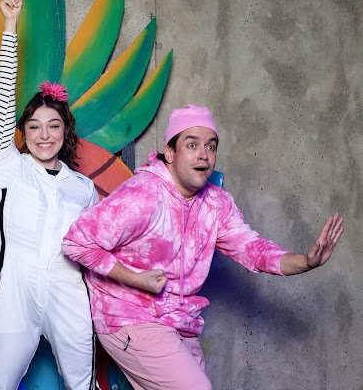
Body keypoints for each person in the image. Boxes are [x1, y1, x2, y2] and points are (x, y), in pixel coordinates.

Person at [62, 105, 345, 390]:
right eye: (192, 145)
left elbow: (252, 249)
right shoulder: (143, 195)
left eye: (211, 146)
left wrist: (305, 261)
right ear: (169, 152)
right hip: (128, 315)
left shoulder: (216, 204)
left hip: (180, 321)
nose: (203, 154)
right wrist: (136, 278)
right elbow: (77, 242)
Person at [0, 0, 99, 390]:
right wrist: (10, 26)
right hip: (16, 293)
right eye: (33, 126)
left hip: (69, 293)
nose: (44, 135)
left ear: (66, 130)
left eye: (53, 125)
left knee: (82, 384)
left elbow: (99, 248)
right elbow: (3, 99)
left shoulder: (83, 188)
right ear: (22, 131)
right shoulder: (7, 166)